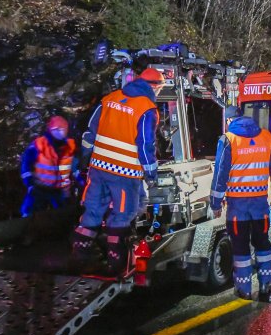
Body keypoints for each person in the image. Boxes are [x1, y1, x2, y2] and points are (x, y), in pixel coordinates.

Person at [71, 68, 164, 275]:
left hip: (98, 169)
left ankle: (80, 254)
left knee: (93, 210)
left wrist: (85, 162)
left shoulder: (109, 99)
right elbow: (146, 146)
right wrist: (151, 176)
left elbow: (89, 134)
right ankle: (116, 262)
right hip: (124, 173)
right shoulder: (147, 109)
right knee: (123, 215)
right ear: (154, 86)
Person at [210, 106, 271, 301]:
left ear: (229, 121)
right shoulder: (267, 138)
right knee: (263, 243)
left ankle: (243, 289)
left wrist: (215, 204)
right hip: (260, 205)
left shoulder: (227, 140)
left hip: (237, 207)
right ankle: (266, 283)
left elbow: (220, 175)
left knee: (241, 247)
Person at [20, 116, 78, 217]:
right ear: (51, 129)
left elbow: (74, 166)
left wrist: (80, 180)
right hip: (40, 188)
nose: (61, 132)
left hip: (60, 190)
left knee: (64, 215)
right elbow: (26, 165)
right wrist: (30, 184)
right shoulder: (39, 144)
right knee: (28, 213)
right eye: (58, 129)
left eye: (63, 129)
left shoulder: (69, 147)